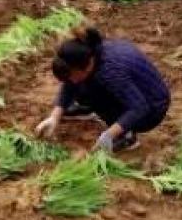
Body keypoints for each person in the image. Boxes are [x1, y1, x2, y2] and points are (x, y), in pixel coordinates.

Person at [35, 26, 170, 153]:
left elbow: (140, 108)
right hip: (138, 93)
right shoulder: (90, 53)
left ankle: (126, 136)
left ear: (86, 66)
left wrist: (109, 135)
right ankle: (88, 106)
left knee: (91, 87)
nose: (70, 82)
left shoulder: (109, 72)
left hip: (152, 108)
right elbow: (70, 83)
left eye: (72, 76)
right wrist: (54, 116)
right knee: (83, 83)